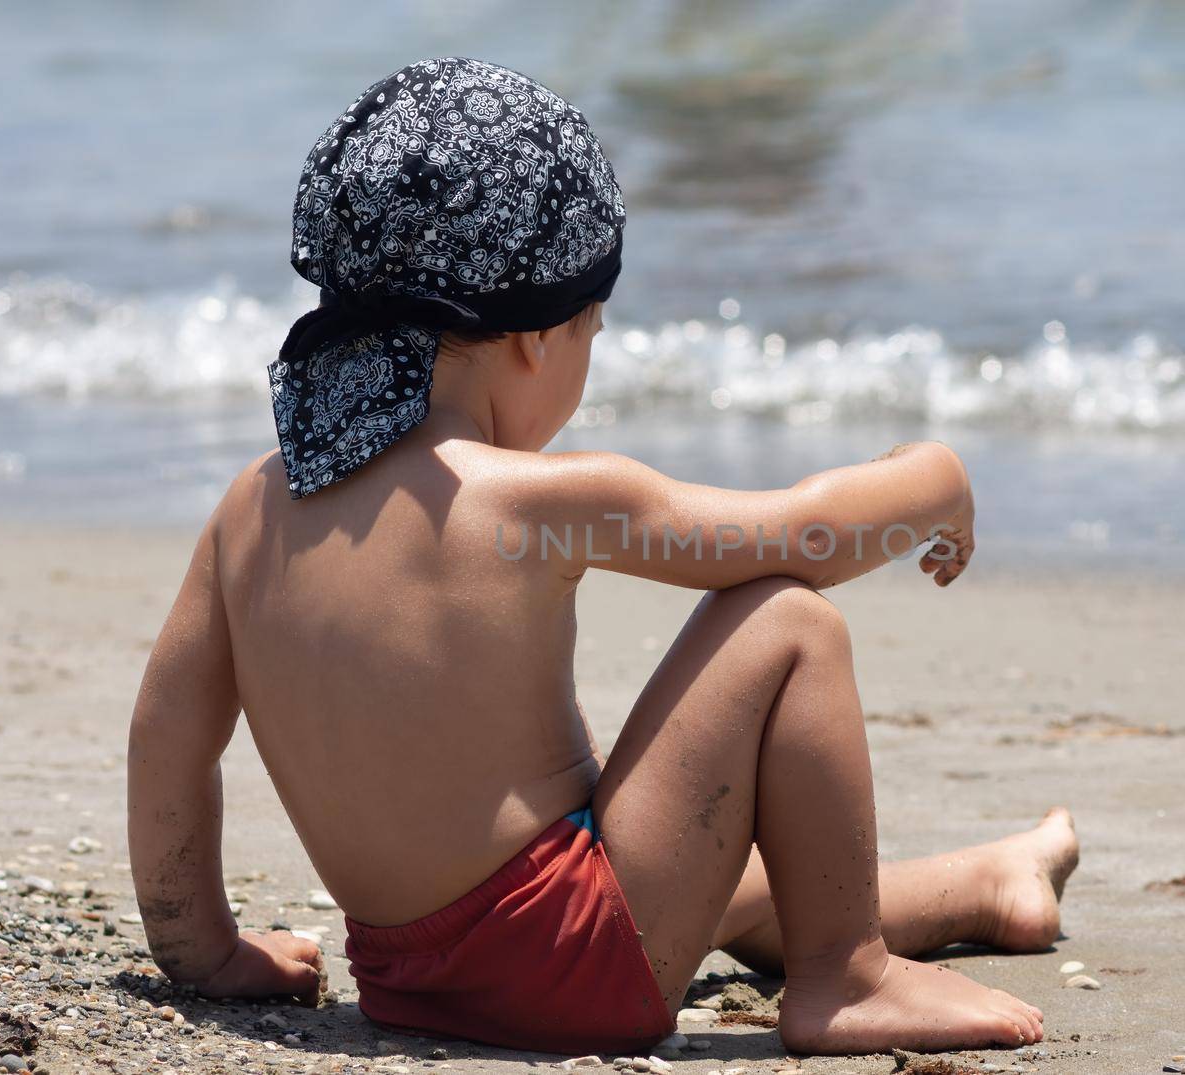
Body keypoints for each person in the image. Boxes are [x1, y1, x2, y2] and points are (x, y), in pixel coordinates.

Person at [127, 56, 1078, 1058]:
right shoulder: (533, 500)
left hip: (406, 977)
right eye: (593, 325)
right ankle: (846, 975)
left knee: (735, 862)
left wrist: (209, 953)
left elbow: (166, 740)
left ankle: (991, 882)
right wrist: (932, 477)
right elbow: (805, 534)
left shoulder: (251, 509)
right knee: (784, 621)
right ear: (536, 337)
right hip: (570, 972)